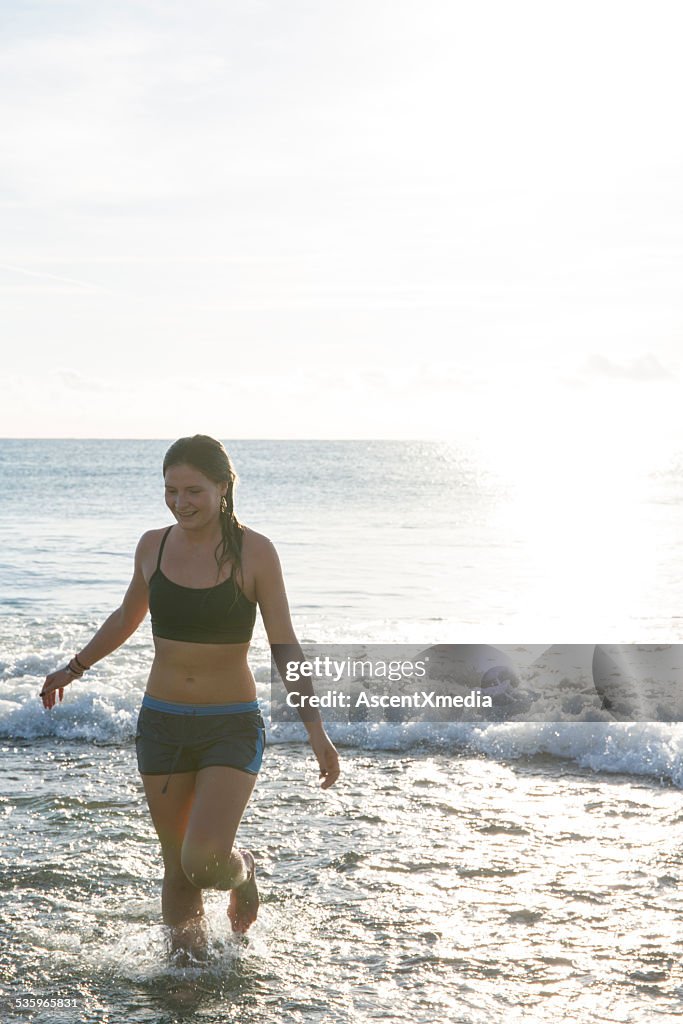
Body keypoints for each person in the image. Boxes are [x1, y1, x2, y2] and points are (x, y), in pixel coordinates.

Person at [39, 434, 340, 960]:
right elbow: (127, 617)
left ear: (224, 488)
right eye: (171, 490)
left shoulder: (256, 552)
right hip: (161, 723)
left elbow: (284, 645)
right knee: (176, 864)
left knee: (204, 860)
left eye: (194, 490)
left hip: (230, 724)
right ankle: (188, 971)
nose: (181, 502)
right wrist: (73, 668)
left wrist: (317, 731)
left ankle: (242, 868)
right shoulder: (153, 545)